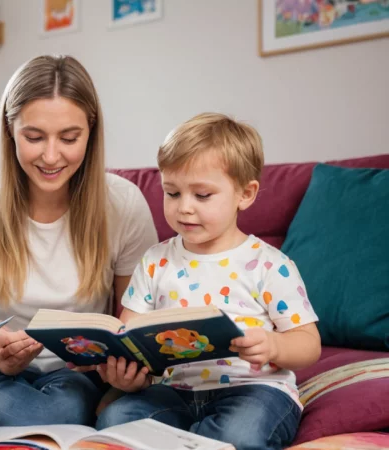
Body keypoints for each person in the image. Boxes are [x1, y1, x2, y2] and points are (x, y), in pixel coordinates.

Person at [0, 55, 158, 430]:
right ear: (10, 131)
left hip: (75, 372)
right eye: (34, 137)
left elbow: (134, 326)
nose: (51, 155)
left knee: (65, 410)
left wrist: (125, 370)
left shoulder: (123, 204)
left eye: (69, 138)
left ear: (90, 133)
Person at [95, 113, 321, 450]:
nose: (184, 208)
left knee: (239, 435)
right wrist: (124, 373)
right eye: (172, 193)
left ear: (245, 194)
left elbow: (308, 343)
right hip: (172, 391)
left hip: (254, 390)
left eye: (202, 196)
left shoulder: (270, 264)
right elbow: (129, 333)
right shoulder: (155, 260)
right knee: (115, 421)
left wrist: (274, 346)